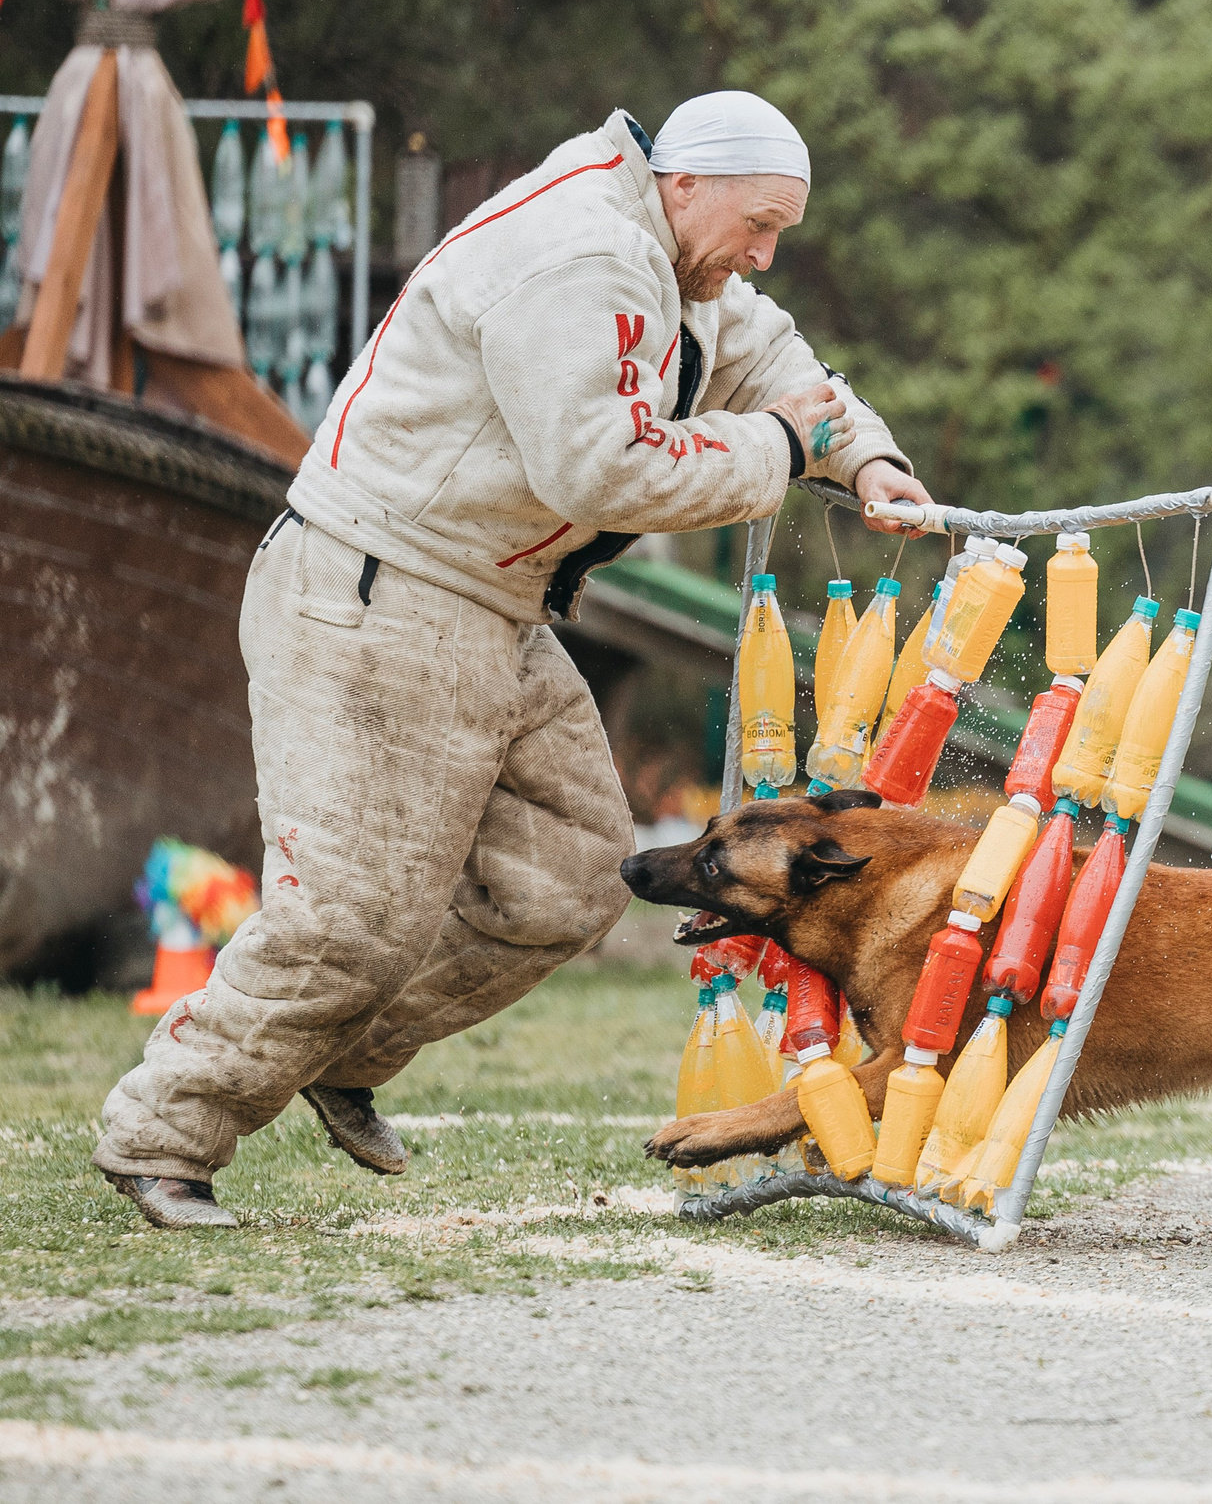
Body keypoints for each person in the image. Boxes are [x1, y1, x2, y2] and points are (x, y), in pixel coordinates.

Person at [94, 92, 931, 1228]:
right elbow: (601, 468)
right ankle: (163, 1137)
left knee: (572, 878)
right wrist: (782, 446)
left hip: (489, 604)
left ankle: (346, 1054)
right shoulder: (578, 257)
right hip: (380, 588)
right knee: (345, 912)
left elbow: (768, 352)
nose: (764, 256)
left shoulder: (675, 255)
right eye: (760, 225)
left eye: (779, 232)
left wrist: (865, 459)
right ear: (685, 185)